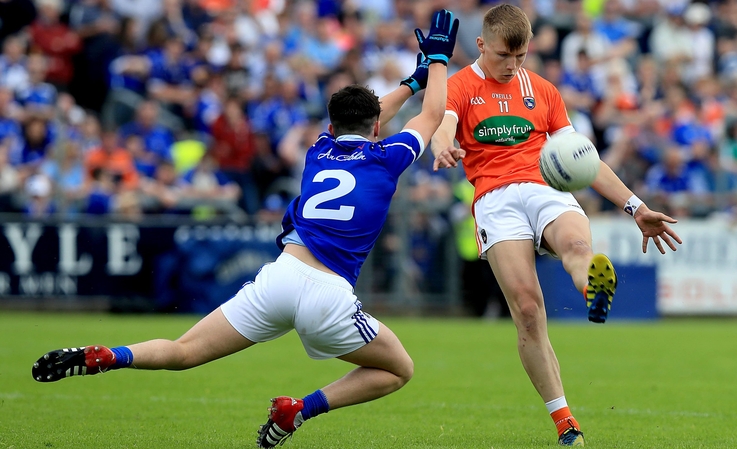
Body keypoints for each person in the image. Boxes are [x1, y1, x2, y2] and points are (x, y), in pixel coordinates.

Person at [31, 9, 459, 449]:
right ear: (377, 128)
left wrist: (412, 80)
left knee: (184, 352)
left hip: (281, 277)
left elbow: (367, 117)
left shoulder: (319, 149)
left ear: (332, 128)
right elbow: (431, 114)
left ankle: (112, 355)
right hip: (328, 295)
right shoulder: (387, 157)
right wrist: (438, 61)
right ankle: (300, 409)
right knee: (398, 369)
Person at [430, 4, 681, 446]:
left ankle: (591, 290)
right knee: (528, 310)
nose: (512, 65)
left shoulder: (543, 90)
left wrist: (636, 207)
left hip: (546, 186)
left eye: (521, 56)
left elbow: (585, 161)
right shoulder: (460, 85)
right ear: (481, 44)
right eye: (503, 55)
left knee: (578, 249)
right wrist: (444, 145)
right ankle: (566, 422)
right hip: (495, 199)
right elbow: (442, 126)